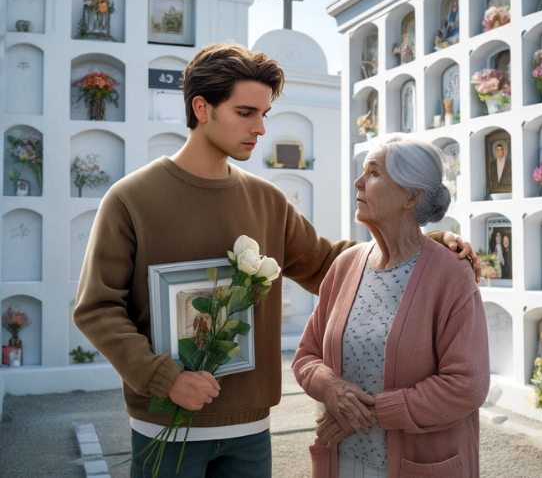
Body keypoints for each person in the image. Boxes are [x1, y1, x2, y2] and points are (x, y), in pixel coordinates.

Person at [73, 43, 481, 478]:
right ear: (202, 108)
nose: (261, 128)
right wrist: (164, 378)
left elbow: (330, 266)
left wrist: (424, 240)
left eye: (264, 114)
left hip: (251, 427)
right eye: (246, 113)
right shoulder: (131, 199)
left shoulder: (267, 200)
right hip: (165, 424)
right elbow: (98, 308)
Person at [293, 134, 490, 478]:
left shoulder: (451, 275)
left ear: (412, 197)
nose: (358, 181)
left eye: (373, 172)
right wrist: (331, 388)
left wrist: (374, 411)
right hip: (343, 461)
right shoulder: (345, 265)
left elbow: (465, 384)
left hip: (421, 466)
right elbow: (307, 355)